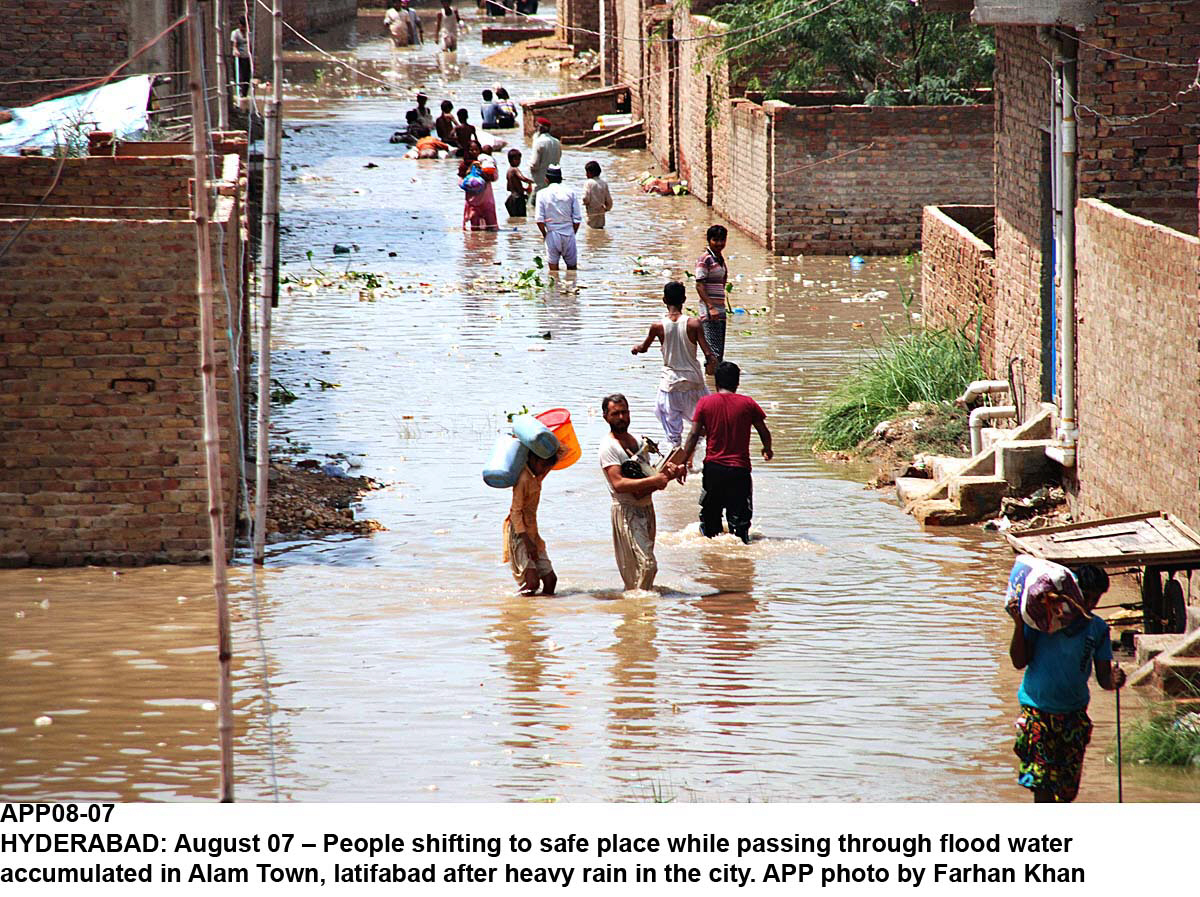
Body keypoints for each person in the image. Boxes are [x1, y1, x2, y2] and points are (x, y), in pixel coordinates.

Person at [1008, 565, 1125, 803]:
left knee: (1066, 792)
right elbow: (1019, 661)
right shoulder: (1045, 620)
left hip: (1073, 715)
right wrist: (1019, 625)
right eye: (1086, 596)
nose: (1090, 604)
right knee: (1041, 785)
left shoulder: (1098, 629)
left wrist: (1115, 680)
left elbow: (1104, 679)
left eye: (1095, 598)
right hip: (1038, 712)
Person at [680, 361, 772, 544]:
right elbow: (763, 430)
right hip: (740, 470)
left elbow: (693, 434)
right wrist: (767, 448)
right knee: (740, 523)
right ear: (737, 383)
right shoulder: (748, 404)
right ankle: (740, 559)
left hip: (714, 469)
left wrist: (682, 462)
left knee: (710, 520)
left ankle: (713, 563)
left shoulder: (705, 403)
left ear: (716, 383)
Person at [599, 393, 680, 592]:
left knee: (641, 569)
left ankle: (640, 611)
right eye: (615, 413)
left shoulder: (636, 441)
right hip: (626, 511)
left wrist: (670, 473)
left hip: (646, 508)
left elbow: (647, 478)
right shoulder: (608, 447)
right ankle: (640, 610)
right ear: (605, 417)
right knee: (647, 565)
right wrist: (655, 480)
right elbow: (618, 483)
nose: (621, 418)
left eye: (624, 412)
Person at [633, 281, 717, 461]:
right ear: (684, 300)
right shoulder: (694, 324)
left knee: (673, 435)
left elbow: (644, 347)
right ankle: (692, 460)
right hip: (694, 382)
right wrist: (712, 363)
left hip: (670, 384)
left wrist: (636, 348)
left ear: (664, 300)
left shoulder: (657, 326)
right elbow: (707, 352)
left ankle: (679, 465)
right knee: (705, 423)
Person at [503, 451, 558, 595]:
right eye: (543, 465)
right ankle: (517, 608)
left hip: (533, 532)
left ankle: (540, 613)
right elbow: (515, 512)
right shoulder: (523, 479)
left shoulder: (538, 474)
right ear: (532, 459)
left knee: (550, 580)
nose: (545, 470)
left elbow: (563, 452)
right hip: (520, 534)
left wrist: (548, 443)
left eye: (547, 467)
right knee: (532, 584)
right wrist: (527, 542)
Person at [534, 166, 581, 270]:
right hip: (569, 234)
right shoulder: (571, 193)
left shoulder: (541, 194)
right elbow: (577, 219)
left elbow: (539, 220)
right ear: (560, 179)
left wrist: (545, 234)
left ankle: (555, 286)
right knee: (572, 270)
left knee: (553, 272)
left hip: (552, 234)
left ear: (546, 179)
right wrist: (572, 233)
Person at [694, 224, 729, 362]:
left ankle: (714, 381)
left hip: (720, 310)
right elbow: (699, 285)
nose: (719, 243)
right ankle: (712, 381)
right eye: (716, 240)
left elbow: (722, 283)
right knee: (713, 352)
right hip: (710, 311)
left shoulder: (720, 259)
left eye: (722, 240)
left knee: (718, 352)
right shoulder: (705, 259)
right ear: (709, 240)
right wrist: (711, 307)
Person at [459, 140, 498, 229]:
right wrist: (470, 180)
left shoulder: (486, 163)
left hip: (487, 200)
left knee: (492, 228)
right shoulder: (464, 165)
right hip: (472, 202)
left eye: (476, 149)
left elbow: (494, 177)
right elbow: (460, 182)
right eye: (471, 150)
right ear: (467, 151)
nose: (474, 152)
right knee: (474, 230)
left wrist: (484, 173)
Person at [528, 117, 561, 199]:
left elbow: (534, 165)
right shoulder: (557, 142)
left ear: (539, 128)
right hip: (553, 183)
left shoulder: (538, 142)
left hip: (540, 184)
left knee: (532, 207)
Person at [582, 160, 613, 229]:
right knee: (600, 228)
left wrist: (585, 203)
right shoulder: (604, 183)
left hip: (591, 212)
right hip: (601, 212)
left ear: (589, 173)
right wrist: (607, 208)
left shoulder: (588, 183)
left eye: (586, 172)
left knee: (590, 230)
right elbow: (609, 200)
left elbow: (585, 198)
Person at [505, 148, 533, 217]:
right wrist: (531, 181)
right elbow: (522, 178)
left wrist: (524, 189)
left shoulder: (508, 171)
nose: (519, 161)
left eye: (519, 159)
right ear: (511, 160)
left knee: (515, 218)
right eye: (516, 159)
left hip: (511, 199)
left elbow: (508, 188)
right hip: (518, 199)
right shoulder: (515, 169)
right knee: (521, 217)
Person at [230, 16, 251, 99]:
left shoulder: (249, 34)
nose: (243, 28)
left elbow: (250, 45)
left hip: (247, 58)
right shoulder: (235, 33)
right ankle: (239, 93)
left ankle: (245, 94)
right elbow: (234, 45)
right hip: (238, 59)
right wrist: (235, 51)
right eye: (242, 26)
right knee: (239, 76)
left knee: (247, 77)